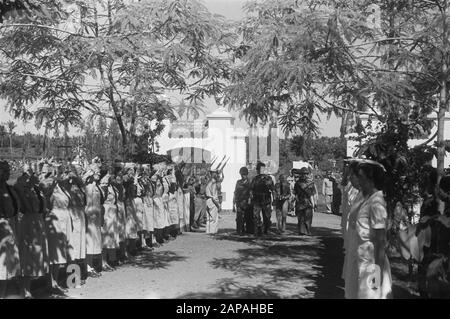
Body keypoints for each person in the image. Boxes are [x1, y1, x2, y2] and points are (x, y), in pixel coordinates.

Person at [345, 160, 392, 299]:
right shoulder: (367, 199)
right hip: (362, 257)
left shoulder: (376, 204)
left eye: (361, 177)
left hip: (372, 262)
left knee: (371, 295)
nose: (358, 181)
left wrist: (377, 272)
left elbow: (381, 241)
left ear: (370, 179)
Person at [15, 164, 49, 298]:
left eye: (33, 172)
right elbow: (19, 187)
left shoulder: (37, 188)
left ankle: (30, 287)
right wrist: (27, 179)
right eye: (28, 172)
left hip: (38, 222)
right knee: (27, 255)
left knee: (36, 255)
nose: (32, 175)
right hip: (29, 223)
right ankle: (24, 290)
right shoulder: (22, 188)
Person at [0, 161, 21, 298]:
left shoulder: (9, 188)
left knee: (8, 262)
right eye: (3, 170)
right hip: (2, 226)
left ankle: (4, 293)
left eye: (8, 170)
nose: (6, 173)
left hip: (10, 225)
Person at [84, 163, 104, 277]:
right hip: (90, 217)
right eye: (97, 171)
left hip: (96, 217)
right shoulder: (88, 186)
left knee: (94, 242)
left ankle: (91, 265)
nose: (99, 173)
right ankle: (88, 266)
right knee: (89, 241)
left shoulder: (96, 186)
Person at [249, 162, 275, 236]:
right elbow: (251, 189)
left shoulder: (268, 179)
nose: (260, 170)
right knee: (256, 216)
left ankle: (266, 230)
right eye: (258, 169)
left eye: (261, 169)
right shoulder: (255, 179)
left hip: (266, 200)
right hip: (257, 200)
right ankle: (258, 231)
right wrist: (250, 197)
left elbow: (272, 189)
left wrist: (274, 199)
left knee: (267, 217)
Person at [293, 168, 316, 236]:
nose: (305, 175)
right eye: (304, 174)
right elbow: (295, 194)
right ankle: (303, 231)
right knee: (302, 218)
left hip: (305, 202)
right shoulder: (298, 183)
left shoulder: (310, 184)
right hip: (302, 202)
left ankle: (306, 230)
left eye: (306, 174)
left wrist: (313, 203)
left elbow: (312, 195)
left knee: (306, 218)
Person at [233, 167, 251, 236]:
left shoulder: (249, 182)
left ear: (247, 174)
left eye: (244, 174)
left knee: (247, 217)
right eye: (242, 175)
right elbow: (235, 192)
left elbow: (251, 192)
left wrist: (249, 200)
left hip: (247, 203)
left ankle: (247, 231)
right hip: (239, 203)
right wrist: (233, 203)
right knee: (239, 218)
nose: (243, 176)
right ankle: (239, 231)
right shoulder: (238, 182)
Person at [205, 170, 220, 234]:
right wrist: (218, 205)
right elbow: (214, 197)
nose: (217, 175)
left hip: (208, 201)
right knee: (214, 219)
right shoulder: (213, 183)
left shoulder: (209, 183)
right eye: (216, 173)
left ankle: (208, 231)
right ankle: (213, 232)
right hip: (212, 202)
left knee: (209, 218)